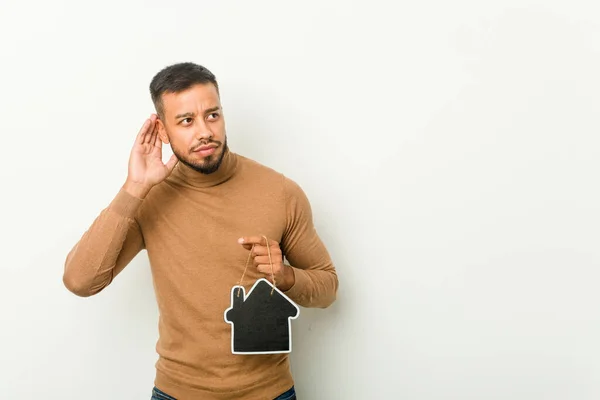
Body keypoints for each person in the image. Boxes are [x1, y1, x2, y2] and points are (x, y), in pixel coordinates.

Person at [62, 62, 338, 400]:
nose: (204, 131)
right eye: (186, 121)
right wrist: (134, 187)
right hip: (177, 392)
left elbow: (328, 286)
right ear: (162, 131)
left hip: (269, 393)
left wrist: (287, 276)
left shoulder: (280, 192)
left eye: (212, 115)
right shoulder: (148, 200)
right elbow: (79, 281)